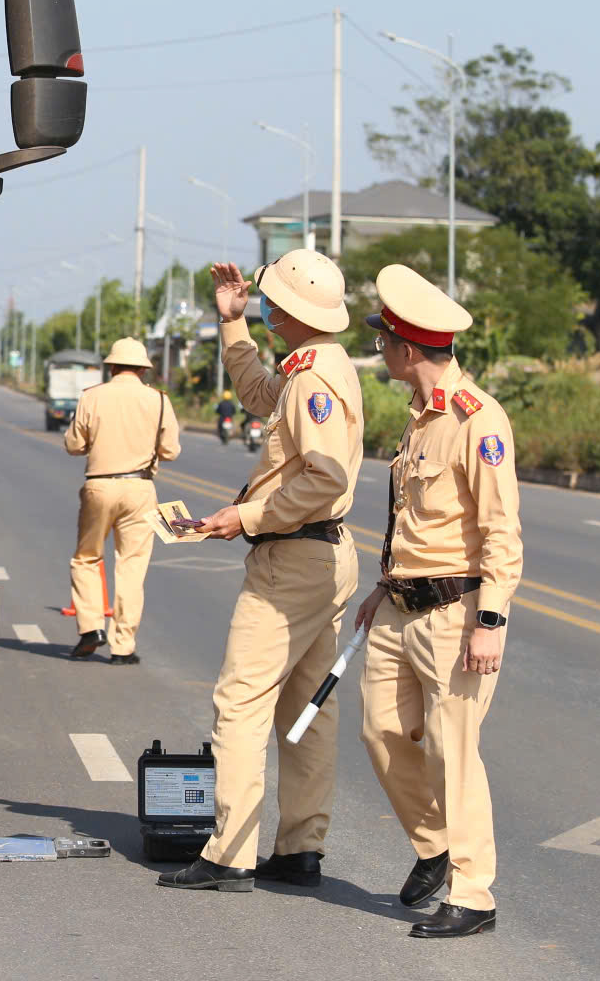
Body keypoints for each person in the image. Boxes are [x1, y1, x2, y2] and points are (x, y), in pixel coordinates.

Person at [158, 250, 362, 893]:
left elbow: (324, 478)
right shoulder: (316, 367)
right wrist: (232, 323)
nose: (267, 307)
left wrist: (246, 517)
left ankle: (229, 854)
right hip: (320, 557)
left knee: (240, 703)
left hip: (292, 560)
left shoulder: (314, 381)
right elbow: (256, 396)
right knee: (306, 708)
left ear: (295, 311)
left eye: (271, 301)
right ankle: (301, 848)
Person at [353, 263, 522, 939]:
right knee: (381, 732)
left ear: (406, 348)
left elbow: (500, 530)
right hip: (399, 605)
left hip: (456, 612)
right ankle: (434, 845)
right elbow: (412, 518)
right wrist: (382, 585)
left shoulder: (478, 420)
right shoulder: (420, 418)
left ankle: (473, 893)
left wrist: (490, 621)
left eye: (384, 340)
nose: (379, 350)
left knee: (455, 751)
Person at [63, 337, 180, 664]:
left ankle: (90, 628)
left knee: (87, 558)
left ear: (111, 366)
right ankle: (122, 646)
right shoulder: (158, 400)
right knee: (132, 566)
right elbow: (171, 451)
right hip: (140, 488)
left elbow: (74, 444)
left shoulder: (92, 396)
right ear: (144, 369)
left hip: (99, 486)